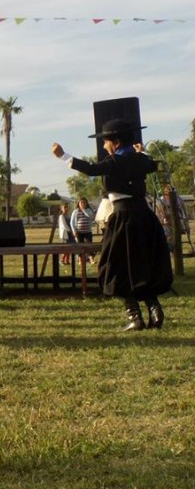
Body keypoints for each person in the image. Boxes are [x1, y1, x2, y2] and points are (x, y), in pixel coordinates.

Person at [52, 119, 172, 331]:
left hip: (124, 218)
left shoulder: (114, 162)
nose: (104, 145)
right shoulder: (140, 159)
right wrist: (141, 151)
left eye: (106, 142)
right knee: (142, 263)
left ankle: (135, 316)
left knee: (115, 266)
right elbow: (151, 164)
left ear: (115, 142)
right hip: (145, 217)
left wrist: (63, 156)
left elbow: (90, 169)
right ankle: (154, 308)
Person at [70, 197, 96, 264]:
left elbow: (91, 217)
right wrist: (74, 231)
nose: (82, 204)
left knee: (89, 245)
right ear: (78, 203)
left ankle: (91, 259)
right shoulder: (75, 211)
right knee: (80, 246)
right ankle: (80, 260)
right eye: (81, 202)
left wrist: (84, 210)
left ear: (86, 203)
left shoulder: (88, 210)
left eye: (84, 202)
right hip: (79, 232)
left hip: (87, 231)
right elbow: (72, 222)